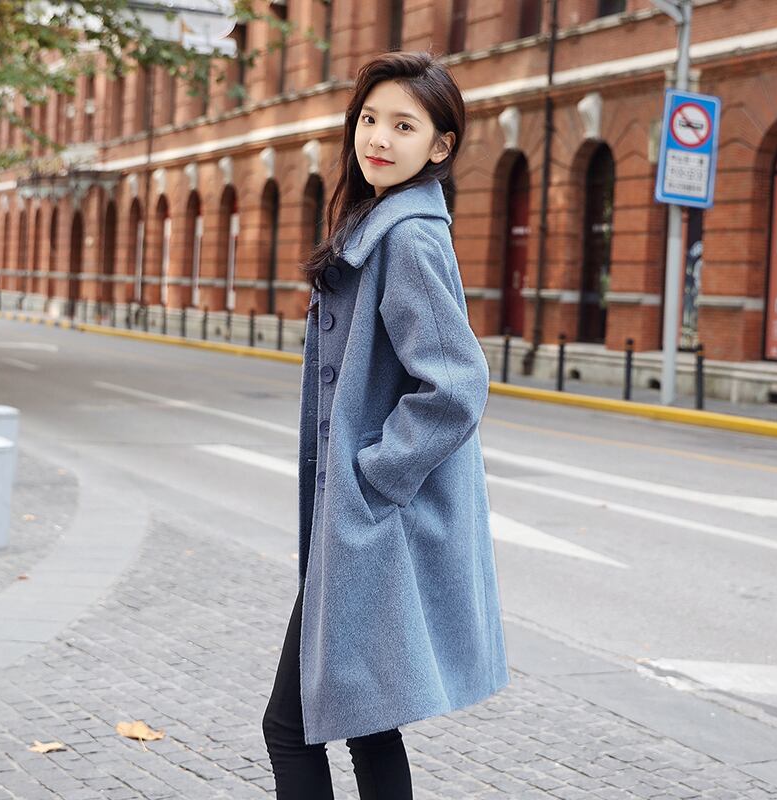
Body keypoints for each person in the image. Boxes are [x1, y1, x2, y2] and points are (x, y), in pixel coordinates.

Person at [262, 50, 510, 799]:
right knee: (367, 724)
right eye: (370, 118)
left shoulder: (406, 237)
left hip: (370, 526)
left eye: (404, 125)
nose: (378, 137)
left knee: (291, 726)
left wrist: (372, 476)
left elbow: (457, 384)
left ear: (439, 145)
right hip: (363, 528)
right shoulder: (379, 223)